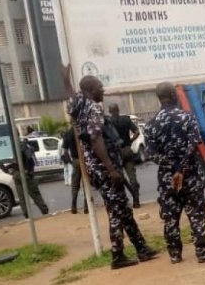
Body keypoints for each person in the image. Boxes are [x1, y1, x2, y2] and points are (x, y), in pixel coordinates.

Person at [65, 72, 158, 269]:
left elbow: (72, 99)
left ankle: (142, 248)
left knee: (123, 210)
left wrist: (66, 81)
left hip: (95, 168)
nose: (103, 89)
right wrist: (112, 170)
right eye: (100, 86)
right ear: (90, 90)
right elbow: (96, 140)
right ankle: (118, 256)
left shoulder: (79, 107)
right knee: (116, 212)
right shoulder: (94, 109)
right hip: (105, 169)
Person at [145, 81, 205, 265]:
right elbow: (193, 145)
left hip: (167, 179)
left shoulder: (151, 124)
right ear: (173, 94)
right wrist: (182, 168)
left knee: (170, 216)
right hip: (190, 175)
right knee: (196, 213)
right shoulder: (187, 117)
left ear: (159, 97)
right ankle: (202, 251)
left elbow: (151, 154)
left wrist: (170, 166)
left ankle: (175, 254)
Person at [108, 103, 141, 208]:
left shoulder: (108, 122)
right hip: (127, 149)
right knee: (132, 176)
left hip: (115, 152)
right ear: (118, 109)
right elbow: (136, 132)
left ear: (109, 111)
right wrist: (130, 141)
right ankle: (136, 200)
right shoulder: (126, 120)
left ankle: (124, 202)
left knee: (119, 177)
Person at [10, 139, 49, 218]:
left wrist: (7, 169)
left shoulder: (9, 146)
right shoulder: (23, 145)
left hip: (16, 173)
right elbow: (29, 157)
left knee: (22, 197)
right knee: (35, 193)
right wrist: (28, 170)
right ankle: (44, 211)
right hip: (24, 172)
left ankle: (26, 214)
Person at [62, 127, 88, 214]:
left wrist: (71, 162)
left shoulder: (68, 133)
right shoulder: (83, 131)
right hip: (85, 160)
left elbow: (65, 151)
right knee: (86, 185)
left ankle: (74, 206)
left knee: (75, 186)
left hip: (75, 160)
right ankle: (86, 207)